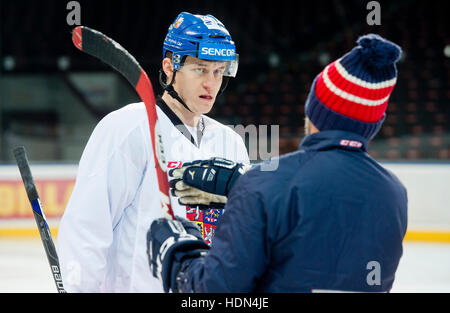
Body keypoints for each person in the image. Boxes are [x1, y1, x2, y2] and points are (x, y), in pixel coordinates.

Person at [147, 33, 408, 293]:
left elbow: (216, 291)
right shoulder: (393, 193)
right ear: (374, 124)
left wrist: (178, 257)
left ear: (314, 109)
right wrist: (245, 185)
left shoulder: (266, 184)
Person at [57, 12, 249, 292]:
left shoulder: (231, 142)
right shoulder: (127, 127)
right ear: (170, 67)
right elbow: (87, 228)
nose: (212, 83)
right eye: (200, 69)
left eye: (219, 71)